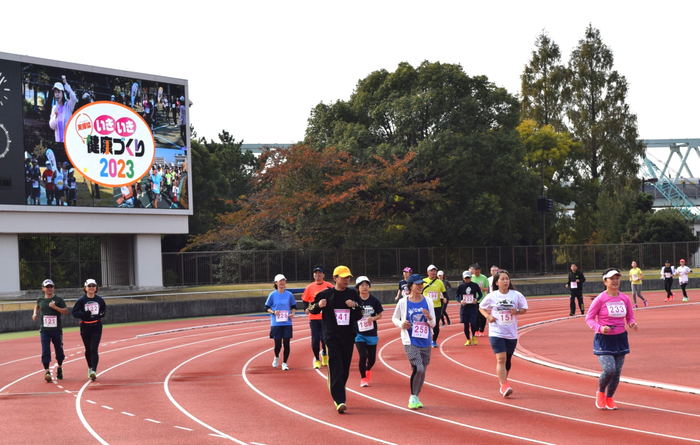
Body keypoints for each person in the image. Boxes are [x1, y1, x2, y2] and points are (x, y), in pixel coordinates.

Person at [308, 266, 364, 413]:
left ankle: (340, 389)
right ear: (335, 278)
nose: (346, 280)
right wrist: (318, 305)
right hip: (331, 336)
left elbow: (362, 312)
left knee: (345, 368)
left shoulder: (352, 294)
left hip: (348, 336)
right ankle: (339, 400)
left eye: (348, 277)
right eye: (343, 277)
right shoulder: (326, 294)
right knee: (335, 365)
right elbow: (311, 308)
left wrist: (355, 306)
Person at [586, 268, 638, 410]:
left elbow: (630, 316)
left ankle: (610, 398)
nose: (615, 281)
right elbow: (589, 319)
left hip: (620, 338)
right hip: (604, 339)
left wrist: (632, 323)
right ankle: (601, 392)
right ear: (605, 281)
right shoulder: (600, 299)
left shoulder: (625, 298)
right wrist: (600, 328)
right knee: (609, 369)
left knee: (617, 373)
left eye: (617, 278)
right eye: (612, 278)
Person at [479, 269, 528, 398]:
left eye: (507, 278)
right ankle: (503, 385)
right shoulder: (492, 296)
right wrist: (488, 317)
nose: (505, 281)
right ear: (496, 282)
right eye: (502, 279)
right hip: (496, 332)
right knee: (501, 359)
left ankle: (504, 381)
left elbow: (524, 309)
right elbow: (481, 307)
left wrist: (516, 311)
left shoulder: (516, 295)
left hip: (511, 333)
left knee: (508, 361)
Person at [392, 273, 436, 409]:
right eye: (417, 284)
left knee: (423, 369)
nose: (420, 286)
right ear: (410, 286)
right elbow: (394, 318)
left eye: (422, 284)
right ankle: (412, 397)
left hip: (425, 339)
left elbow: (433, 323)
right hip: (410, 340)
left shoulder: (428, 301)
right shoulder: (403, 302)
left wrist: (429, 318)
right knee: (419, 367)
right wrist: (401, 324)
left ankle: (416, 395)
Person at [32, 279, 68, 382]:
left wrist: (55, 307)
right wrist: (35, 314)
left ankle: (59, 368)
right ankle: (47, 371)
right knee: (45, 350)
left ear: (53, 287)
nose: (49, 288)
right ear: (43, 288)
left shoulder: (58, 299)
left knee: (59, 350)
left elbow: (65, 311)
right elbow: (37, 306)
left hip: (56, 329)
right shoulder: (41, 299)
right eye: (47, 287)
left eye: (51, 286)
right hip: (45, 329)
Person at [71, 279, 106, 380]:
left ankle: (94, 371)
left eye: (93, 286)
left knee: (94, 348)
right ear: (85, 288)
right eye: (89, 286)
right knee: (88, 349)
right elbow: (74, 313)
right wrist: (84, 314)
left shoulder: (99, 300)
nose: (91, 288)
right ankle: (90, 367)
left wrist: (102, 314)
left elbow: (103, 310)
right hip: (85, 327)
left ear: (96, 288)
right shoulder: (81, 300)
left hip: (96, 326)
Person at [301, 266, 333, 369]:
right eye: (316, 273)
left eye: (320, 273)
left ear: (323, 275)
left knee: (325, 339)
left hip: (326, 318)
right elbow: (305, 301)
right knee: (315, 340)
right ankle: (317, 360)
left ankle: (324, 354)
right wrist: (306, 309)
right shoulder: (309, 287)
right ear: (313, 275)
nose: (317, 275)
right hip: (313, 318)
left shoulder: (329, 286)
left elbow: (334, 298)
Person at [354, 276, 383, 387]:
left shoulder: (374, 300)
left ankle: (367, 369)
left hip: (371, 332)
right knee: (363, 355)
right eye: (362, 285)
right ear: (358, 287)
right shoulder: (355, 301)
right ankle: (363, 378)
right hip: (359, 333)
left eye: (366, 285)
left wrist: (373, 318)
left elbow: (380, 315)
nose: (365, 287)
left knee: (372, 359)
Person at [264, 274, 296, 371]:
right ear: (276, 283)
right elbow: (266, 307)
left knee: (287, 343)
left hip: (287, 323)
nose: (282, 283)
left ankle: (285, 363)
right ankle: (276, 356)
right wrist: (273, 312)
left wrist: (293, 313)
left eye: (283, 281)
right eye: (280, 281)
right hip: (276, 323)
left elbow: (294, 306)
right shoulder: (272, 295)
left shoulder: (289, 294)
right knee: (277, 345)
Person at [456, 270, 482, 346]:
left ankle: (473, 336)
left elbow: (480, 294)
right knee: (466, 325)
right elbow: (456, 296)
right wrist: (460, 301)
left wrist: (476, 299)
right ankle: (468, 339)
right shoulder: (461, 286)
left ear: (471, 277)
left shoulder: (475, 285)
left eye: (469, 277)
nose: (468, 279)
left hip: (473, 308)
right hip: (464, 309)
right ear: (463, 278)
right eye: (466, 278)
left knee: (473, 323)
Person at [423, 265, 447, 348]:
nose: (433, 272)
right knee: (425, 323)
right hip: (426, 306)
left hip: (437, 306)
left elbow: (445, 293)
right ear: (427, 272)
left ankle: (434, 341)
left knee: (436, 324)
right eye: (431, 271)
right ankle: (426, 340)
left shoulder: (440, 282)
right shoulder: (423, 281)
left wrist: (445, 298)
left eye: (434, 271)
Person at [48, 76, 77, 143]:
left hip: (68, 142)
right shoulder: (54, 108)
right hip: (58, 143)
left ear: (63, 93)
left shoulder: (68, 105)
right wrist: (55, 116)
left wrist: (66, 83)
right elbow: (52, 126)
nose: (57, 94)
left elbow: (74, 98)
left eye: (59, 92)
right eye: (55, 92)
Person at [471, 264, 490, 337]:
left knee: (482, 316)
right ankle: (476, 330)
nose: (477, 274)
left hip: (482, 300)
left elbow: (486, 289)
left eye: (478, 272)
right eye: (475, 272)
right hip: (474, 300)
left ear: (480, 271)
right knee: (475, 315)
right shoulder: (471, 277)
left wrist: (481, 289)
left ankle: (481, 330)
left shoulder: (484, 278)